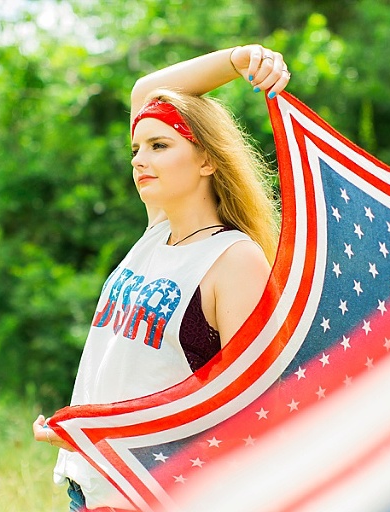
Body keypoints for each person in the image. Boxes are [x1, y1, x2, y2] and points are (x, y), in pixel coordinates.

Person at [32, 43, 291, 511]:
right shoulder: (158, 230)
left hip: (158, 495)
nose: (137, 159)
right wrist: (83, 432)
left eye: (159, 146)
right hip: (89, 488)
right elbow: (147, 92)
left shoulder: (234, 259)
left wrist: (244, 61)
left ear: (207, 160)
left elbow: (247, 410)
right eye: (136, 148)